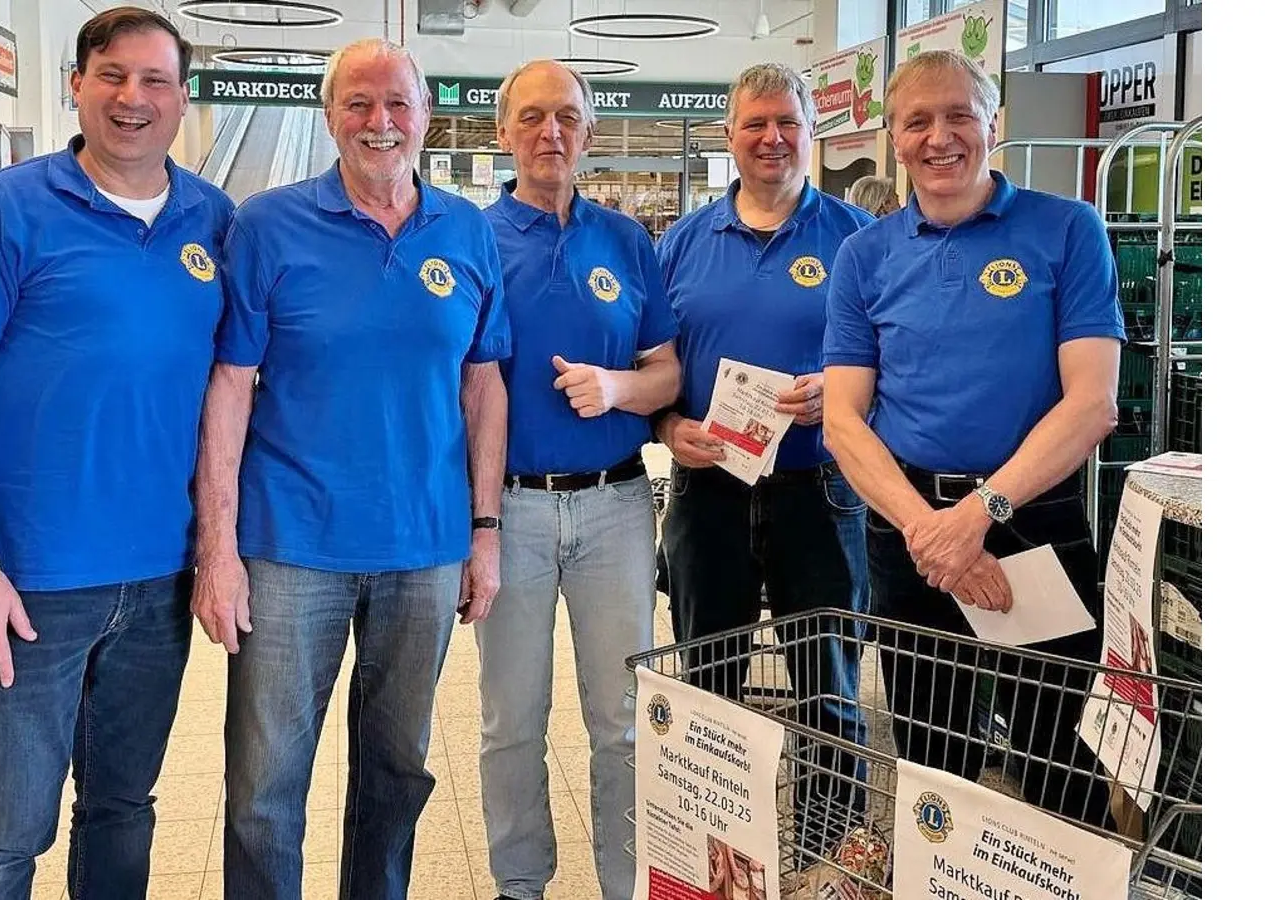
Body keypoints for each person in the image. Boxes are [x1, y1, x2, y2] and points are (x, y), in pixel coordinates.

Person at [0, 7, 234, 898]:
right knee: (4, 832)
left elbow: (230, 392)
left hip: (161, 579)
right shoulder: (9, 206)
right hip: (29, 585)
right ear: (77, 86)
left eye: (156, 80)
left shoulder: (213, 219)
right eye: (114, 77)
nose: (134, 98)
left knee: (123, 809)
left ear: (182, 97)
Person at [190, 38, 511, 900]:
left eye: (397, 104)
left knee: (397, 773)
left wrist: (485, 533)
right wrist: (217, 552)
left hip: (426, 547)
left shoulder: (468, 230)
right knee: (264, 785)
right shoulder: (267, 225)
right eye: (359, 104)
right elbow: (228, 389)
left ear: (427, 114)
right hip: (291, 546)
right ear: (329, 116)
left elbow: (484, 388)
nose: (380, 122)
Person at [821, 50, 1125, 828]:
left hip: (1035, 520)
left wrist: (977, 515)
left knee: (1055, 756)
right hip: (908, 532)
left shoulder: (1067, 231)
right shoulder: (864, 255)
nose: (940, 136)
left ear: (997, 123)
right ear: (893, 137)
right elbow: (845, 420)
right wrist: (933, 532)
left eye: (960, 114)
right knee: (932, 752)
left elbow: (1092, 405)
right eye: (917, 120)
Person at [475, 59, 681, 900]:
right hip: (511, 514)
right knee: (509, 724)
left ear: (589, 133)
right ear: (503, 133)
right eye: (531, 117)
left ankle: (625, 884)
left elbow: (667, 372)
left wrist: (617, 389)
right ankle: (519, 884)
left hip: (618, 508)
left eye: (565, 117)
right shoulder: (470, 236)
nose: (549, 133)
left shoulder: (628, 242)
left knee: (623, 722)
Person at [653, 61, 874, 835]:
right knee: (706, 678)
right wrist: (666, 428)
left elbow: (895, 360)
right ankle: (710, 843)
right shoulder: (681, 243)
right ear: (730, 135)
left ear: (813, 134)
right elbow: (658, 366)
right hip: (707, 491)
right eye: (756, 123)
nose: (772, 138)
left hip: (820, 489)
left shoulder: (858, 240)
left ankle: (827, 845)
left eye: (788, 122)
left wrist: (842, 391)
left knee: (830, 683)